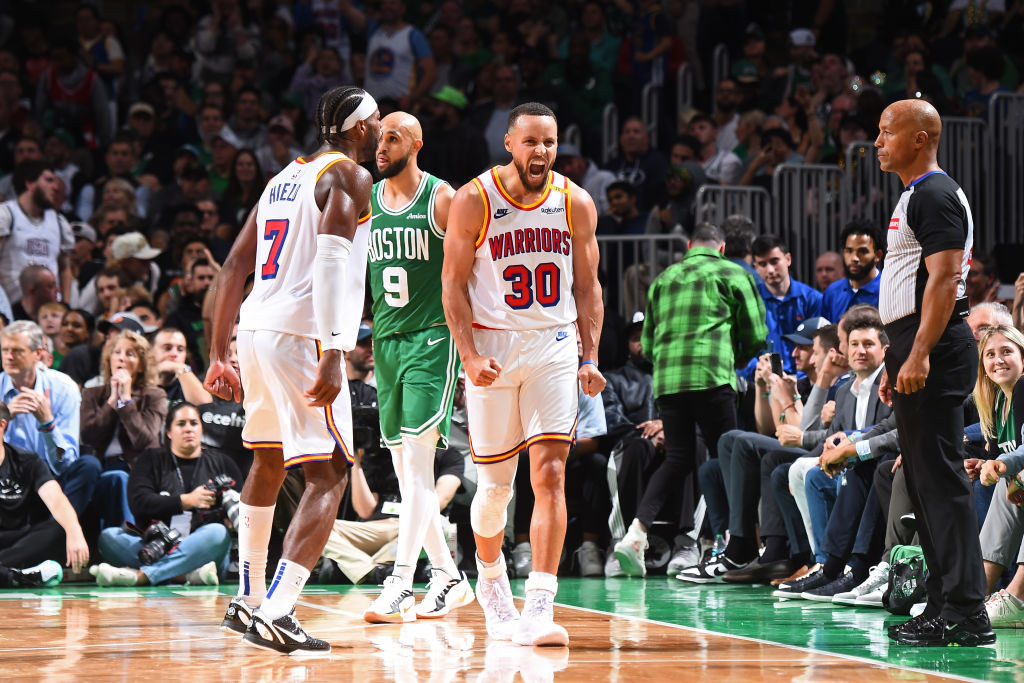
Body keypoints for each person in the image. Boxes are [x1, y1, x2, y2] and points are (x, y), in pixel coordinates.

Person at [204, 86, 381, 655]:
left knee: (269, 460)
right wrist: (335, 349)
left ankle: (249, 598)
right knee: (330, 472)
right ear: (357, 129)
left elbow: (233, 265)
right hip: (304, 335)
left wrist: (217, 351)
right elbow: (331, 263)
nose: (379, 133)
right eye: (375, 123)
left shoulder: (283, 176)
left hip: (256, 328)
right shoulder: (350, 177)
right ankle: (280, 610)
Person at [442, 102, 605, 646]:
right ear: (509, 143)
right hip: (491, 347)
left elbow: (588, 287)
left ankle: (539, 603)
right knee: (494, 489)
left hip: (553, 345)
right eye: (531, 142)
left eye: (550, 143)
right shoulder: (474, 198)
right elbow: (453, 285)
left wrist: (590, 357)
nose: (542, 152)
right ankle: (491, 583)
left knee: (551, 474)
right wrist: (467, 353)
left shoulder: (574, 201)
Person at [876, 98, 993, 647]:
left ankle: (969, 612)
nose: (878, 142)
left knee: (941, 482)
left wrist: (919, 352)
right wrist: (896, 357)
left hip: (937, 344)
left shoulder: (937, 194)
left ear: (920, 138)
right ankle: (944, 601)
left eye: (887, 132)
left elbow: (944, 281)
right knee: (921, 481)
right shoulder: (915, 195)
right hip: (914, 343)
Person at [361, 112, 472, 623]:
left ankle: (401, 580)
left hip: (432, 339)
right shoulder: (367, 202)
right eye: (379, 137)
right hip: (385, 342)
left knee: (419, 468)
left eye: (392, 137)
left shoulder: (441, 198)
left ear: (417, 144)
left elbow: (467, 276)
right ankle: (449, 577)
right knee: (408, 475)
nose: (381, 146)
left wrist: (471, 344)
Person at [613, 223, 767, 577]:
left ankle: (636, 534)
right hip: (714, 378)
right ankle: (732, 543)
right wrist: (738, 359)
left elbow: (648, 345)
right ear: (722, 248)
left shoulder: (664, 279)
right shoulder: (732, 272)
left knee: (678, 459)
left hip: (669, 382)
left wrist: (670, 366)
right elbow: (757, 333)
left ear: (688, 246)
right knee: (726, 460)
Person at [92, 402, 241, 587]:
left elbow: (240, 507)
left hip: (202, 552)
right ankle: (186, 576)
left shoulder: (223, 463)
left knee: (217, 533)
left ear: (202, 429)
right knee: (109, 537)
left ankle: (142, 576)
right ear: (169, 432)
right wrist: (186, 501)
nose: (188, 429)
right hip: (155, 548)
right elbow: (138, 502)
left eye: (194, 423)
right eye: (181, 424)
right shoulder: (150, 459)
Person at [0, 402, 89, 584]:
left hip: (19, 542)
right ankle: (17, 575)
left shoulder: (27, 461)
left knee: (59, 527)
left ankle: (8, 571)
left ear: (2, 425)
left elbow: (56, 499)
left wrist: (74, 531)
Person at [973, 324, 1024, 628]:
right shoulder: (996, 401)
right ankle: (978, 594)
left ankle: (1015, 597)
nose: (998, 360)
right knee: (996, 485)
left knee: (1007, 482)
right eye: (990, 354)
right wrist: (985, 464)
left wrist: (1008, 471)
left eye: (1007, 351)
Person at [80, 330, 167, 472]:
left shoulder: (155, 395)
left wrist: (126, 400)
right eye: (117, 352)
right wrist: (113, 401)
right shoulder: (91, 393)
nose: (121, 358)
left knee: (119, 477)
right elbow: (88, 437)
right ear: (109, 360)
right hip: (102, 467)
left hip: (138, 470)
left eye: (130, 354)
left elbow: (143, 439)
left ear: (141, 366)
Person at [0, 161, 74, 304]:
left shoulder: (59, 222)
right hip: (13, 305)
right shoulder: (6, 214)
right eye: (49, 180)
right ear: (30, 184)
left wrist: (65, 304)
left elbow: (65, 269)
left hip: (50, 308)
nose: (56, 186)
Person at [820, 220, 884, 323]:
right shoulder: (832, 292)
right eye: (849, 251)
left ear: (878, 255)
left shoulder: (887, 291)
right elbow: (826, 336)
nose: (854, 258)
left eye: (863, 251)